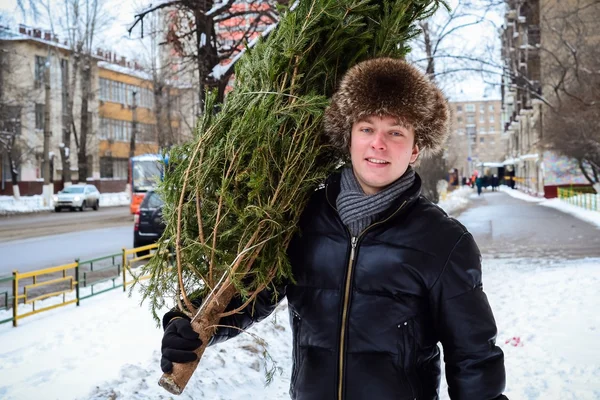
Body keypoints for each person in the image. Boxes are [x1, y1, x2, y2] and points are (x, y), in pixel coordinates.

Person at [160, 58, 507, 400]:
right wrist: (187, 323)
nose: (378, 143)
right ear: (349, 138)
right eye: (367, 128)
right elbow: (251, 293)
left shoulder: (443, 242)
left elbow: (474, 357)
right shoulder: (300, 219)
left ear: (415, 148)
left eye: (396, 132)